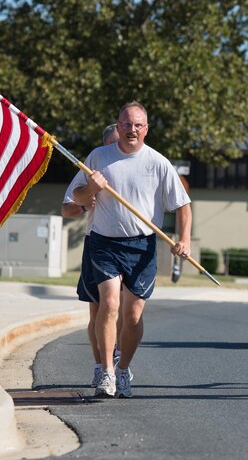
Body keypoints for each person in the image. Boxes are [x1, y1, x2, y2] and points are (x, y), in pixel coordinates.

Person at [71, 101, 192, 398]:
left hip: (142, 245)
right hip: (104, 242)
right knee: (109, 304)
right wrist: (92, 189)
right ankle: (106, 373)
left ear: (146, 129)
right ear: (118, 125)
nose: (131, 130)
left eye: (138, 125)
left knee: (133, 316)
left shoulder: (158, 163)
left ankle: (123, 368)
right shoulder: (99, 157)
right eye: (126, 124)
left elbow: (183, 205)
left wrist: (184, 239)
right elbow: (77, 195)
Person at [61, 123, 123, 389]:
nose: (115, 150)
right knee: (99, 309)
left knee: (124, 309)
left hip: (130, 245)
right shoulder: (92, 168)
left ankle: (119, 359)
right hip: (97, 243)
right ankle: (101, 365)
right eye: (111, 144)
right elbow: (67, 208)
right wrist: (85, 203)